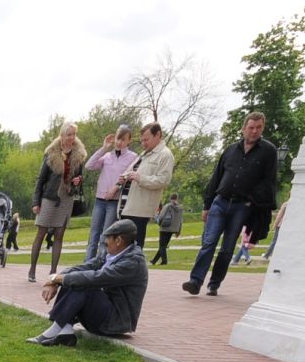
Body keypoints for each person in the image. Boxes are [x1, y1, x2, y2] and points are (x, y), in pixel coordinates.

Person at [185, 111, 279, 298]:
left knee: (227, 248)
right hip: (220, 201)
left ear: (263, 128)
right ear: (244, 128)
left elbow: (269, 181)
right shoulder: (230, 150)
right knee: (209, 242)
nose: (254, 132)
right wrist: (207, 204)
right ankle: (195, 281)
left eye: (258, 128)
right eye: (251, 128)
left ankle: (214, 284)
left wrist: (252, 199)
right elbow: (217, 177)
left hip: (241, 206)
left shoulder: (268, 151)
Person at [25, 218, 149, 347]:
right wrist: (56, 280)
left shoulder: (133, 263)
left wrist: (60, 279)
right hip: (102, 313)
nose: (105, 242)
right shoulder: (110, 254)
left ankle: (53, 331)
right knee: (76, 278)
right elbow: (83, 268)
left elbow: (98, 278)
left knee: (85, 283)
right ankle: (65, 333)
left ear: (118, 241)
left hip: (114, 322)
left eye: (107, 239)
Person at [29, 123, 87, 283]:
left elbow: (80, 178)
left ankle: (53, 272)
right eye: (69, 134)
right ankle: (32, 269)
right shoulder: (51, 154)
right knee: (41, 234)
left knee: (59, 235)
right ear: (62, 135)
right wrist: (36, 201)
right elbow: (41, 180)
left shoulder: (79, 155)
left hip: (66, 198)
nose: (72, 138)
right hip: (49, 198)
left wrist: (78, 181)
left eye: (74, 134)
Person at [117, 123, 176, 251]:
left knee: (134, 249)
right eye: (142, 140)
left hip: (140, 210)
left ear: (158, 135)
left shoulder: (165, 155)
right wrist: (124, 177)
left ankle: (135, 271)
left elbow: (163, 180)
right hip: (127, 207)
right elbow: (131, 171)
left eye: (146, 140)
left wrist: (140, 178)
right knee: (123, 248)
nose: (143, 143)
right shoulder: (144, 154)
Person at [84, 126, 135, 262]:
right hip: (100, 200)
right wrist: (104, 148)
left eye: (123, 139)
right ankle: (86, 265)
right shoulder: (107, 156)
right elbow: (89, 166)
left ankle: (100, 264)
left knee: (105, 235)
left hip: (114, 202)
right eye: (118, 138)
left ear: (129, 141)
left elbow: (127, 178)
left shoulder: (132, 158)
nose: (120, 142)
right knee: (93, 234)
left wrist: (116, 188)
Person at [154, 194, 183, 266]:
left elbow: (161, 216)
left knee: (162, 246)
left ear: (170, 198)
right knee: (164, 245)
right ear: (177, 198)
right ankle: (154, 260)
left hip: (164, 228)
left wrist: (159, 223)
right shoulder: (180, 208)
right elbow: (180, 220)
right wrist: (179, 230)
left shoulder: (167, 206)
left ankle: (164, 261)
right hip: (173, 228)